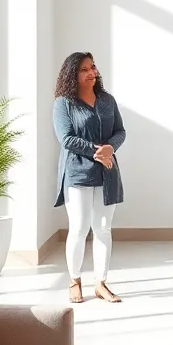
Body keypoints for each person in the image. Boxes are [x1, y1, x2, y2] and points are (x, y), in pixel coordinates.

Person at [53, 51, 126, 304]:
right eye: (84, 69)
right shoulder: (64, 103)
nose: (91, 72)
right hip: (78, 172)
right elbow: (67, 138)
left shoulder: (107, 100)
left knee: (104, 230)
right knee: (80, 228)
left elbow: (120, 131)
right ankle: (74, 281)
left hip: (108, 172)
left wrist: (111, 148)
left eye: (92, 67)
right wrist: (99, 151)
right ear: (72, 74)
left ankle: (101, 284)